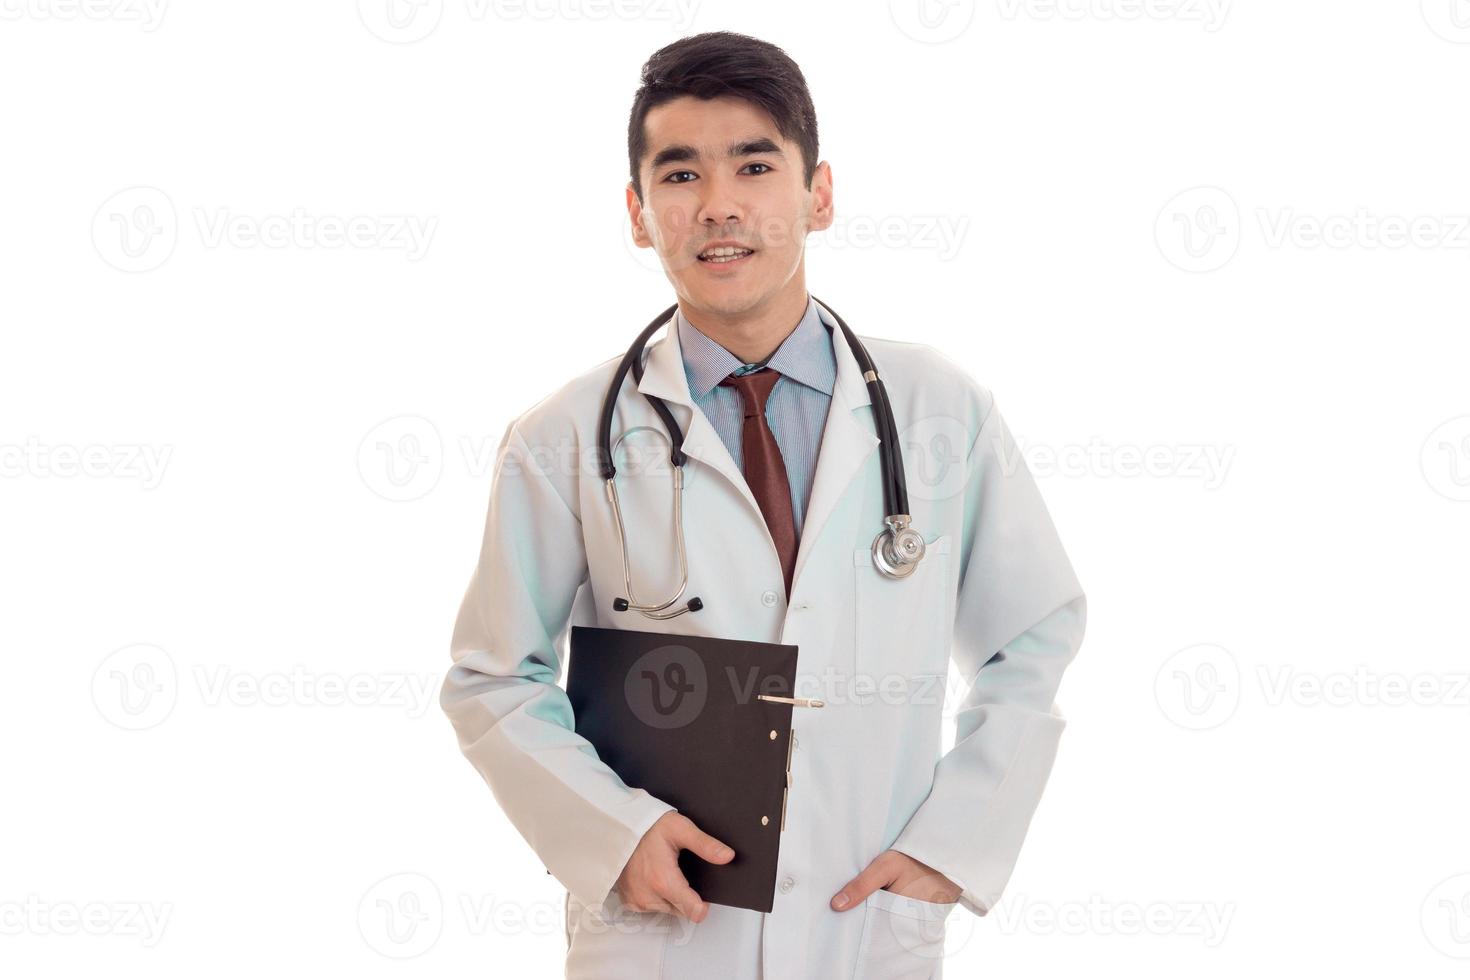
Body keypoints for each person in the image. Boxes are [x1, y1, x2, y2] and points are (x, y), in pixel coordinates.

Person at [439, 30, 1086, 980]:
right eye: (680, 175)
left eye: (754, 164)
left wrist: (956, 842)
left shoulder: (939, 411)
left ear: (818, 195)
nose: (719, 206)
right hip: (666, 932)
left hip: (865, 923)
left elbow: (1030, 638)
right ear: (637, 211)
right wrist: (615, 835)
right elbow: (493, 678)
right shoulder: (562, 437)